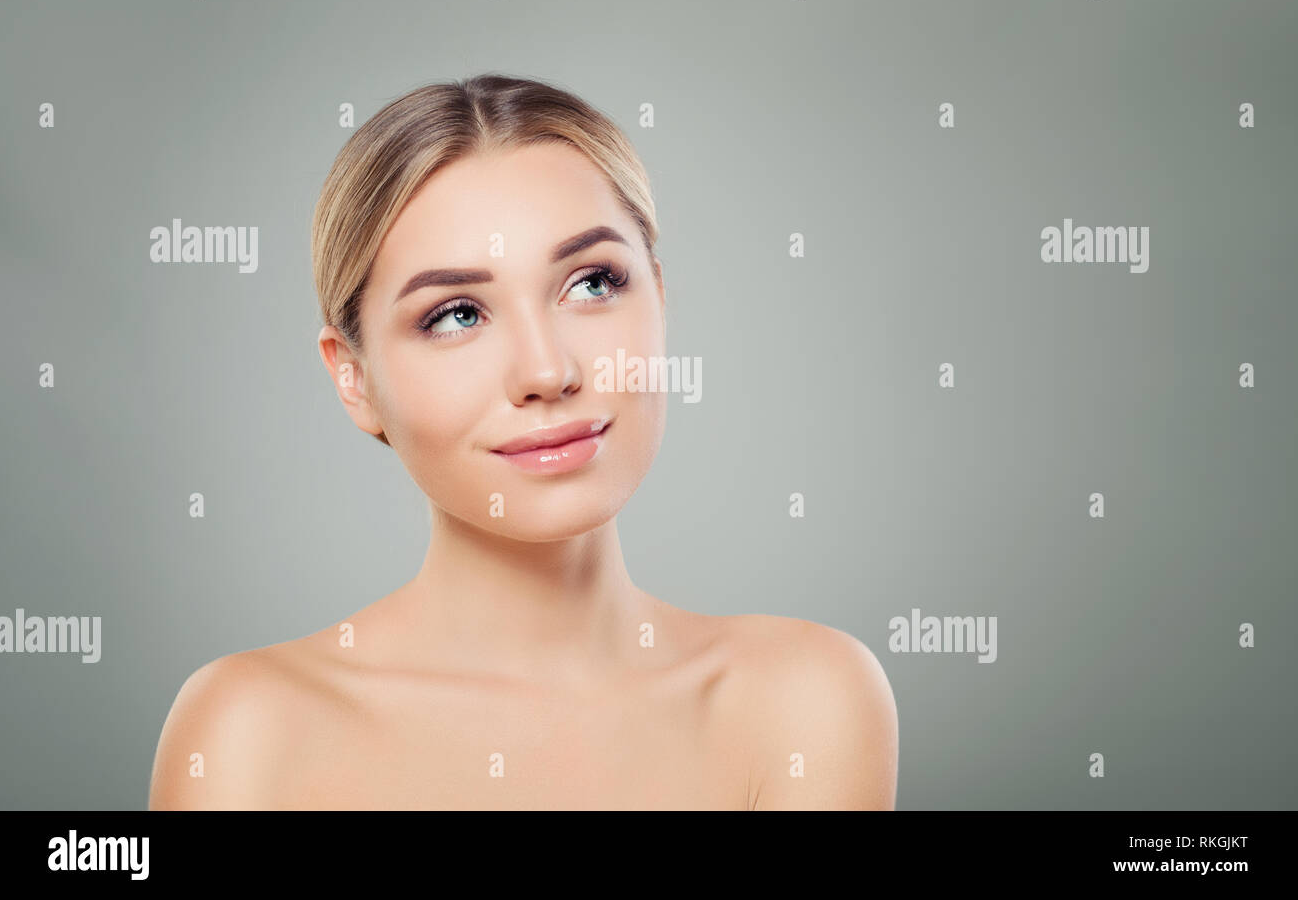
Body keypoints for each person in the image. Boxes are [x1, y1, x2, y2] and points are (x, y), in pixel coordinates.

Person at [148, 74, 897, 809]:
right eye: (458, 315)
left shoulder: (805, 701)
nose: (547, 370)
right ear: (355, 379)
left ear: (660, 298)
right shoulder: (250, 732)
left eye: (593, 283)